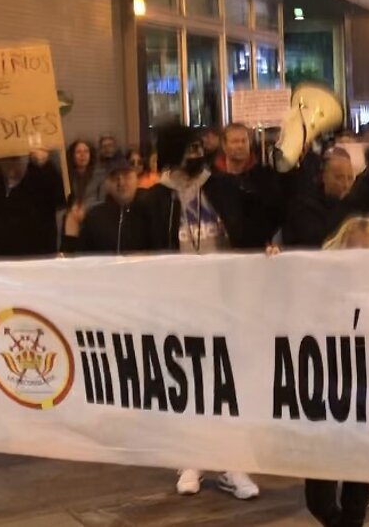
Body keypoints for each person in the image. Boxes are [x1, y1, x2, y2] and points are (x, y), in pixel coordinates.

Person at [142, 126, 260, 500]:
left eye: (199, 148)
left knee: (227, 381)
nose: (196, 154)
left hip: (223, 299)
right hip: (176, 303)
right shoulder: (156, 198)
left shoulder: (222, 186)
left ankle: (231, 463)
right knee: (186, 380)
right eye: (189, 149)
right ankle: (190, 457)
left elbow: (246, 230)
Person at [301, 216, 369, 527]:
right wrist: (274, 265)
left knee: (355, 506)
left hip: (366, 404)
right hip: (326, 400)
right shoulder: (319, 287)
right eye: (354, 250)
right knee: (318, 501)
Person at [0, 150, 66, 257]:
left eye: (16, 159)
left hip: (36, 257)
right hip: (0, 258)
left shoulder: (42, 177)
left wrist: (45, 165)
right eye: (8, 159)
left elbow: (61, 200)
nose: (12, 165)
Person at [213, 124, 283, 250]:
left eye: (244, 141)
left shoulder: (265, 176)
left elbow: (274, 214)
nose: (240, 145)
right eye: (235, 141)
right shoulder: (212, 178)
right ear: (224, 145)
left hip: (257, 249)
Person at [62, 165, 152, 255]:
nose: (121, 182)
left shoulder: (148, 213)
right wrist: (71, 237)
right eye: (115, 178)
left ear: (136, 179)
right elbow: (76, 260)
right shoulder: (94, 217)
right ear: (107, 184)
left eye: (126, 176)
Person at [282, 148, 354, 248]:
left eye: (350, 178)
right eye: (339, 177)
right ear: (323, 176)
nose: (346, 184)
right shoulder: (303, 208)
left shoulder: (353, 207)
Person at [67, 140, 105, 210]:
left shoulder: (100, 175)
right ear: (72, 155)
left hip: (94, 214)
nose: (83, 155)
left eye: (86, 151)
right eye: (78, 152)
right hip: (73, 215)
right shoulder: (66, 177)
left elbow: (102, 201)